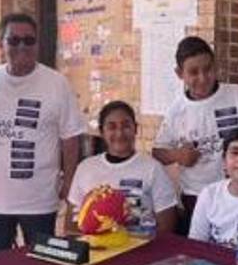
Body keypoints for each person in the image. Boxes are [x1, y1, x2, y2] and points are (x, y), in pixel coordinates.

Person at [0, 12, 83, 252]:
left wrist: (69, 182)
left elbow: (71, 138)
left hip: (40, 200)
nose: (22, 46)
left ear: (37, 43)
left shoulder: (57, 84)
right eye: (13, 40)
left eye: (29, 40)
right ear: (0, 45)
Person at [153, 35, 238, 219]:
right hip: (196, 197)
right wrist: (177, 155)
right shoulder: (177, 110)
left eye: (208, 69)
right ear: (180, 74)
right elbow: (157, 151)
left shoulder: (237, 95)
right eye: (193, 72)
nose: (202, 78)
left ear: (215, 65)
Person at [68, 100, 178, 237]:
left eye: (126, 126)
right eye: (112, 127)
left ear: (136, 129)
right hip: (96, 252)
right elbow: (71, 225)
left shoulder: (152, 168)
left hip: (140, 251)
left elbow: (167, 226)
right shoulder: (85, 168)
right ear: (102, 132)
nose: (119, 133)